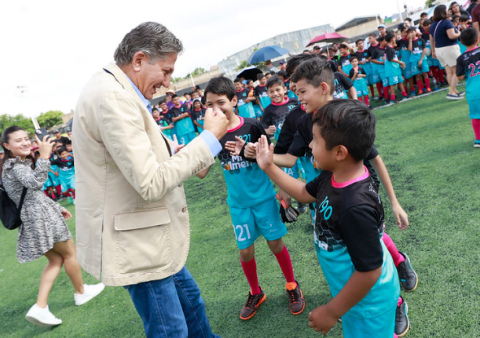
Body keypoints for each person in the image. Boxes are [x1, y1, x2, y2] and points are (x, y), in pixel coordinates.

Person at [73, 22, 228, 338]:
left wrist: (180, 151)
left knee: (192, 312)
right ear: (139, 59)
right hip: (138, 239)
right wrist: (209, 139)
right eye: (167, 72)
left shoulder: (113, 90)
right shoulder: (112, 97)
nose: (169, 83)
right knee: (171, 329)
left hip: (147, 236)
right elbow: (150, 182)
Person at [254, 100, 400, 338]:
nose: (310, 145)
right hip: (355, 299)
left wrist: (332, 311)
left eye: (315, 141)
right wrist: (269, 167)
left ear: (340, 152)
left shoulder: (355, 206)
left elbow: (370, 271)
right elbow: (303, 193)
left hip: (369, 302)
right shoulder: (332, 175)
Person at [197, 76, 305, 320]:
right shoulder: (212, 135)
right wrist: (195, 148)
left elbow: (270, 159)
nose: (214, 109)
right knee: (245, 251)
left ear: (235, 101)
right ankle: (256, 292)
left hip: (265, 200)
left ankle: (291, 284)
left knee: (275, 244)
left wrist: (282, 190)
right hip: (238, 205)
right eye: (209, 105)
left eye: (220, 102)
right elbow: (202, 172)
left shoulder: (252, 126)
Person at [1, 126, 104, 327]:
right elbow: (36, 184)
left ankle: (41, 306)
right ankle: (80, 293)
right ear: (6, 145)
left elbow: (32, 194)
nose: (24, 143)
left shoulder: (12, 165)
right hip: (41, 218)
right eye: (17, 140)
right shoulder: (16, 166)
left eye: (25, 139)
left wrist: (56, 206)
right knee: (69, 254)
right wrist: (45, 157)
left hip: (37, 217)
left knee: (56, 260)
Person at [430, 4, 465, 100]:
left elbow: (432, 39)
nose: (448, 11)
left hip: (439, 49)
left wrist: (433, 50)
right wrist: (459, 33)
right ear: (443, 12)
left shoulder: (433, 24)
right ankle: (452, 92)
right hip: (449, 48)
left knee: (449, 73)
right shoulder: (446, 22)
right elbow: (452, 36)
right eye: (446, 10)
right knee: (457, 71)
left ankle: (454, 90)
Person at [456, 27, 480, 148]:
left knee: (476, 116)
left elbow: (459, 77)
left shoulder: (460, 58)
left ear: (462, 42)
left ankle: (478, 140)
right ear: (477, 39)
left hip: (473, 92)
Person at [261, 75, 298, 140]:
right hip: (284, 143)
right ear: (268, 94)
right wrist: (267, 130)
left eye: (278, 90)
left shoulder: (294, 102)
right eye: (271, 91)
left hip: (299, 137)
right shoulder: (268, 110)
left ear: (285, 90)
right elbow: (263, 128)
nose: (275, 93)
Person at [407, 27, 432, 94]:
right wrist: (410, 39)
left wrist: (421, 59)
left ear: (416, 32)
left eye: (412, 32)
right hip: (413, 61)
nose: (411, 34)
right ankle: (420, 89)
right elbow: (409, 49)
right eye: (409, 33)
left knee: (425, 73)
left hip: (423, 59)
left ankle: (428, 87)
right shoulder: (409, 41)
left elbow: (424, 50)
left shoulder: (421, 40)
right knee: (417, 75)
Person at [368, 33, 385, 100]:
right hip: (375, 66)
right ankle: (381, 95)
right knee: (377, 80)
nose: (369, 40)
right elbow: (369, 57)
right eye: (369, 38)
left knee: (384, 79)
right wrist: (369, 58)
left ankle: (387, 93)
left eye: (370, 38)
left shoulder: (380, 44)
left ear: (375, 38)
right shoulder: (369, 48)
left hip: (382, 64)